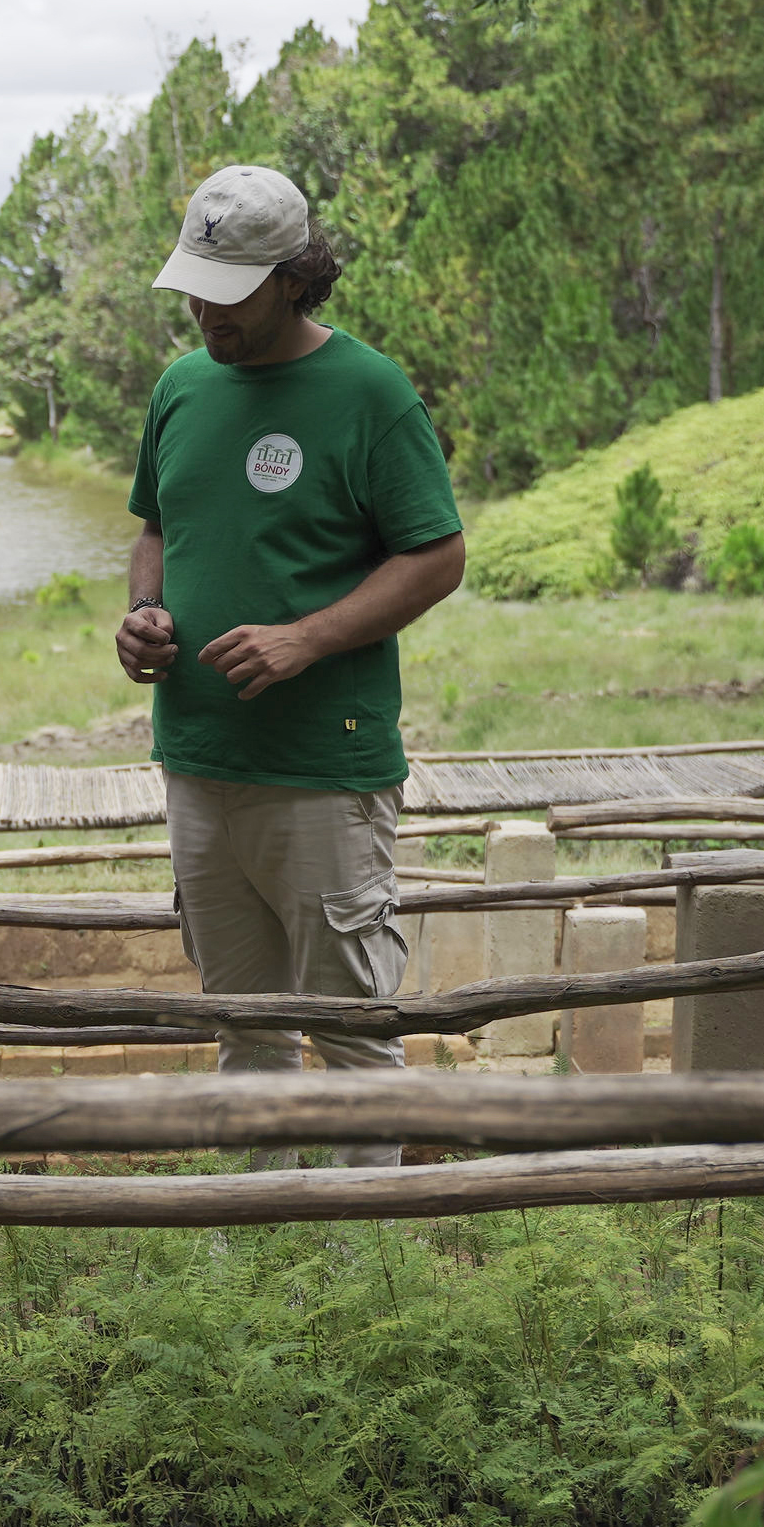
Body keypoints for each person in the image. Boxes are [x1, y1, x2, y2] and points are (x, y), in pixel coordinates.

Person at [118, 164, 466, 1164]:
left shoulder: (367, 391)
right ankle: (256, 1262)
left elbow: (437, 554)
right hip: (196, 760)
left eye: (225, 292)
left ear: (291, 276)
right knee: (247, 1034)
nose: (201, 309)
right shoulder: (180, 386)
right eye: (192, 284)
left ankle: (369, 1277)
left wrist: (306, 638)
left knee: (349, 1035)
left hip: (323, 768)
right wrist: (143, 611)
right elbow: (154, 525)